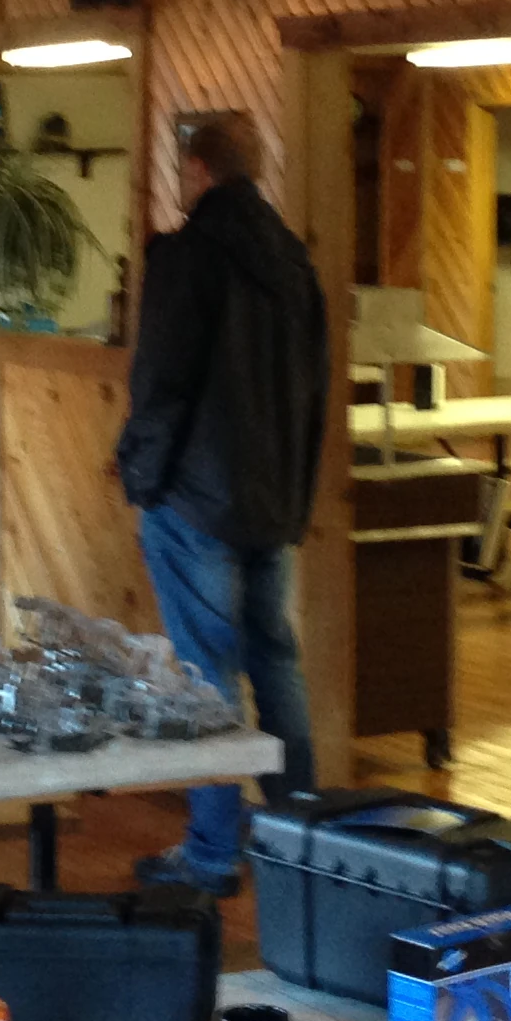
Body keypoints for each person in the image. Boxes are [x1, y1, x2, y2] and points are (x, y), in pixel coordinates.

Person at [112, 112, 330, 898]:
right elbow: (314, 392)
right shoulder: (293, 259)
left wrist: (138, 475)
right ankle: (301, 836)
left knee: (206, 676)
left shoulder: (189, 254)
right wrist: (298, 493)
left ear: (197, 169)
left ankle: (211, 851)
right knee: (275, 663)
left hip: (197, 500)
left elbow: (162, 383)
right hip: (274, 498)